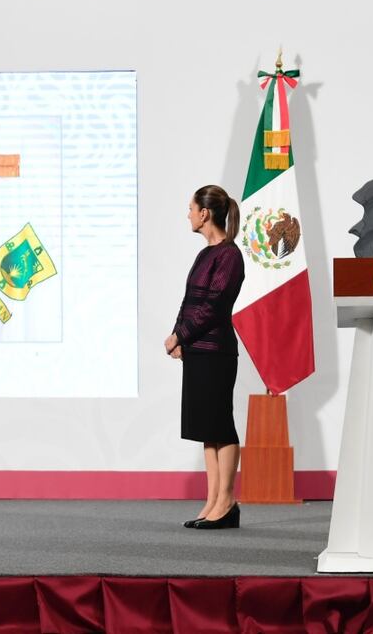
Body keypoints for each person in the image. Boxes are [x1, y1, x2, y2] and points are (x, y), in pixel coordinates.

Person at [165, 185, 245, 530]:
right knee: (207, 430)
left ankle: (226, 502)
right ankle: (213, 500)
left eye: (190, 208)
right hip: (197, 350)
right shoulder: (204, 254)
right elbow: (190, 301)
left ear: (205, 213)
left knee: (221, 426)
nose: (188, 215)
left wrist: (180, 335)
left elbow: (213, 307)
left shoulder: (230, 255)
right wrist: (178, 335)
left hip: (216, 351)